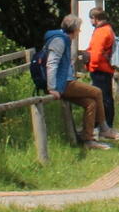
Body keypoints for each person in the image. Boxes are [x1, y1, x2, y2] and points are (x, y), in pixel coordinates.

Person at [43, 15, 113, 150]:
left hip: (66, 82)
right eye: (78, 29)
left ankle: (88, 140)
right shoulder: (59, 40)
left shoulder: (64, 39)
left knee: (91, 103)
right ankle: (104, 128)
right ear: (73, 29)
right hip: (63, 84)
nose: (79, 32)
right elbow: (52, 63)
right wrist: (52, 87)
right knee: (97, 92)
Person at [86, 9, 119, 136]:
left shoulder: (101, 31)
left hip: (100, 69)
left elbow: (96, 52)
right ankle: (105, 126)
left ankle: (104, 126)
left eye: (91, 19)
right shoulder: (108, 29)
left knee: (102, 98)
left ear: (95, 18)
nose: (90, 21)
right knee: (105, 97)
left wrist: (91, 67)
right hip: (105, 69)